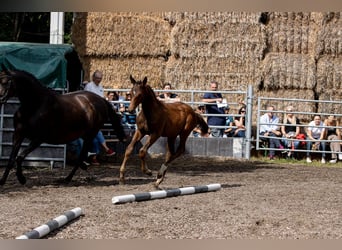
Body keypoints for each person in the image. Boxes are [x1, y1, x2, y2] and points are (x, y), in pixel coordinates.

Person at [84, 70, 116, 165]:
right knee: (96, 132)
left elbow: (101, 99)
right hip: (89, 115)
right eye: (98, 78)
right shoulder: (89, 87)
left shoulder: (100, 87)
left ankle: (94, 158)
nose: (99, 80)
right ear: (93, 78)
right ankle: (106, 149)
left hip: (97, 115)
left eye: (100, 79)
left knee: (95, 135)